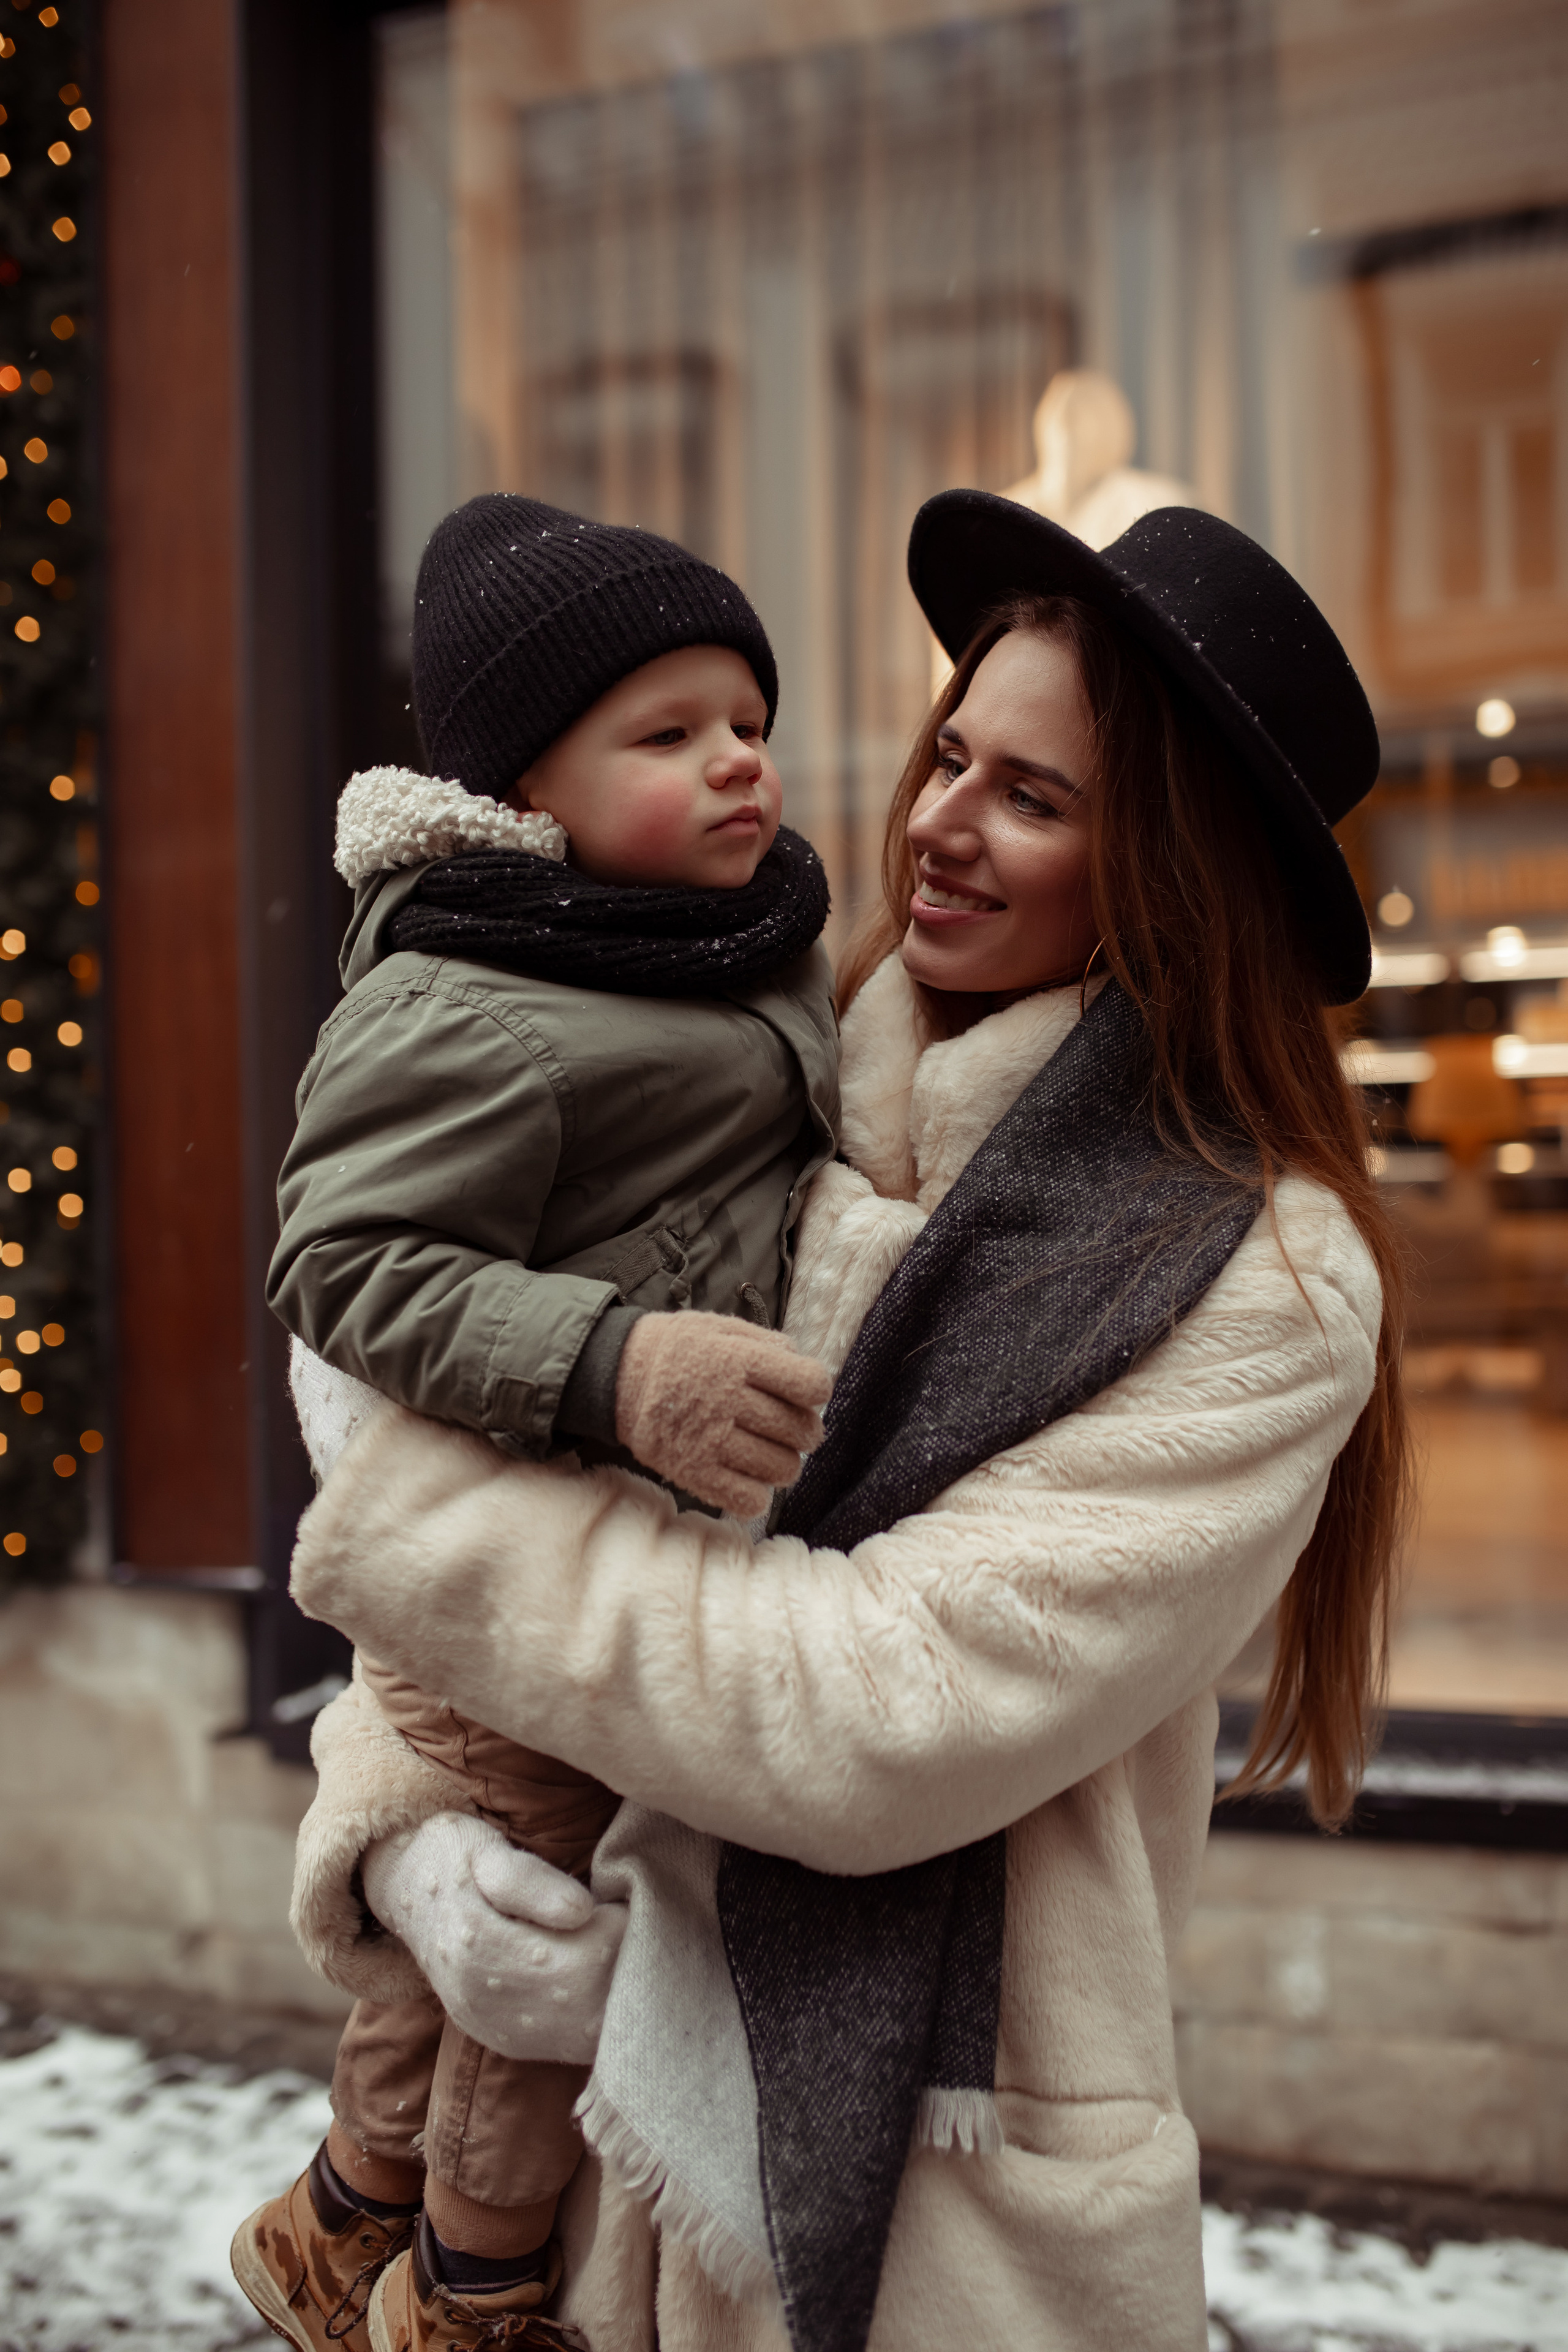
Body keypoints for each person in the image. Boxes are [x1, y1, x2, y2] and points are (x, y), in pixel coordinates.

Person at [285, 492, 1411, 2352]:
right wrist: (405, 1828)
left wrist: (400, 1503)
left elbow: (868, 1721)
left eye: (1033, 798)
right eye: (953, 750)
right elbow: (489, 1610)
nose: (938, 820)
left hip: (919, 2230)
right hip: (589, 2187)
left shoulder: (1262, 1282)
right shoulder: (781, 1079)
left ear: (1178, 875)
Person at [230, 494, 841, 2352]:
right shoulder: (477, 1004)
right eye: (666, 735)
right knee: (530, 1933)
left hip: (606, 1548)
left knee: (464, 1939)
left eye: (748, 717)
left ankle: (338, 2218)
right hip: (520, 1553)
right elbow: (341, 1263)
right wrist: (613, 1362)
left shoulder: (702, 941)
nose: (737, 760)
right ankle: (476, 2294)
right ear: (527, 799)